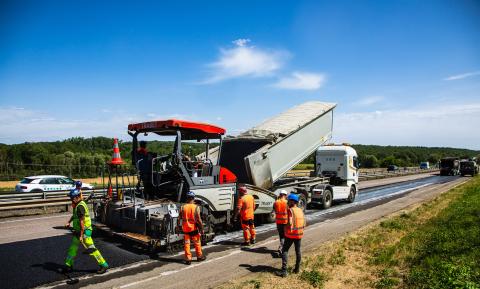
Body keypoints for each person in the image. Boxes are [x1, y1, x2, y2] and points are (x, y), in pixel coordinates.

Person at [62, 189, 109, 274]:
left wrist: (81, 235)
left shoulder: (80, 206)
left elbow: (82, 222)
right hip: (78, 231)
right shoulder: (78, 204)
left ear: (77, 197)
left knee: (91, 248)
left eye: (72, 198)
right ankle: (68, 265)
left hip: (85, 231)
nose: (71, 199)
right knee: (73, 248)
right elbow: (75, 215)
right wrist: (69, 222)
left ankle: (103, 264)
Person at [277, 193, 305, 277]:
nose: (288, 202)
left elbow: (289, 223)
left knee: (284, 251)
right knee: (298, 251)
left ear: (293, 201)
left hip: (290, 235)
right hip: (299, 234)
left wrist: (285, 228)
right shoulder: (300, 210)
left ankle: (284, 271)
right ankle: (297, 269)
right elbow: (304, 222)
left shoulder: (290, 210)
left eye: (289, 201)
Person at [177, 191, 206, 265]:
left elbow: (178, 218)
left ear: (187, 198)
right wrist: (202, 228)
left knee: (187, 244)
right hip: (193, 229)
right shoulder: (196, 207)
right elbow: (199, 220)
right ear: (193, 198)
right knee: (197, 242)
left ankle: (188, 259)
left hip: (186, 229)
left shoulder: (182, 207)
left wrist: (178, 227)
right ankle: (199, 256)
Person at [273, 190, 288, 255]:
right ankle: (281, 248)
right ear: (285, 195)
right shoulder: (287, 202)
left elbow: (274, 210)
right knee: (285, 237)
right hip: (285, 222)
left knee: (281, 236)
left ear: (280, 194)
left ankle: (282, 247)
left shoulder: (276, 202)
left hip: (278, 222)